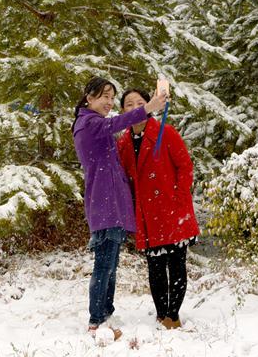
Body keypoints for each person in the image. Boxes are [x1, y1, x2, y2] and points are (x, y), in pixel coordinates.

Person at [72, 77, 168, 338]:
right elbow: (117, 122)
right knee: (104, 265)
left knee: (110, 264)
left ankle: (106, 313)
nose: (109, 102)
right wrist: (149, 107)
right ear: (89, 98)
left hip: (109, 203)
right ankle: (96, 320)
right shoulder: (90, 123)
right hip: (104, 204)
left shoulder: (91, 124)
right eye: (104, 96)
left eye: (111, 97)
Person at [116, 87, 200, 329]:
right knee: (155, 266)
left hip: (172, 209)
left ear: (150, 104)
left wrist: (179, 196)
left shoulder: (166, 132)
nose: (134, 107)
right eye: (128, 104)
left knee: (176, 263)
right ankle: (161, 312)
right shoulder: (123, 142)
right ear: (123, 111)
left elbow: (185, 167)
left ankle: (172, 316)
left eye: (139, 102)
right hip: (146, 213)